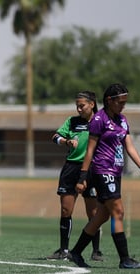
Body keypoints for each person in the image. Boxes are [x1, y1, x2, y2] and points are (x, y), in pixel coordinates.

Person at [69, 83, 140, 269]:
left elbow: (129, 145)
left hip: (116, 172)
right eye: (120, 102)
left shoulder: (122, 120)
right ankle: (125, 259)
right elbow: (90, 151)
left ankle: (75, 252)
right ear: (109, 101)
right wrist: (83, 177)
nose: (123, 105)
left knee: (102, 216)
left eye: (125, 102)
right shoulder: (99, 119)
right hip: (102, 171)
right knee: (118, 211)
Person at [47, 91, 103, 261]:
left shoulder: (101, 121)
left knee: (93, 212)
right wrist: (66, 141)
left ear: (92, 104)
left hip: (92, 170)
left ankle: (96, 250)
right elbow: (55, 137)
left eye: (82, 106)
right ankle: (64, 250)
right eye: (77, 106)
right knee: (65, 210)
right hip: (71, 168)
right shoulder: (72, 122)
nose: (79, 109)